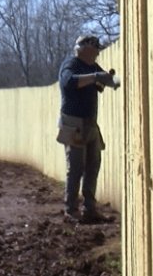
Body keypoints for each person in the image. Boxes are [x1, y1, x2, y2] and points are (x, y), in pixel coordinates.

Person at [57, 35, 117, 224]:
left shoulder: (92, 67)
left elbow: (107, 82)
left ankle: (90, 208)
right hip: (73, 124)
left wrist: (109, 79)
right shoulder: (71, 64)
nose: (98, 52)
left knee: (93, 166)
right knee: (76, 167)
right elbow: (69, 82)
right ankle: (71, 210)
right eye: (96, 48)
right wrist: (95, 77)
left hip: (90, 123)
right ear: (84, 48)